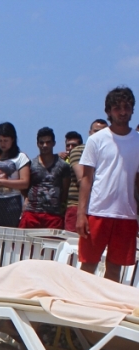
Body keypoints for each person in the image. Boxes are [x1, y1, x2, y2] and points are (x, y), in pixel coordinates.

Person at [77, 87, 139, 282]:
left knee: (114, 269)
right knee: (88, 265)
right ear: (109, 111)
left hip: (126, 214)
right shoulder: (96, 140)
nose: (122, 112)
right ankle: (80, 299)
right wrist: (81, 214)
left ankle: (106, 302)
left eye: (126, 107)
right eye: (117, 108)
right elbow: (86, 179)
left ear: (133, 109)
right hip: (97, 212)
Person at [19, 127, 72, 229]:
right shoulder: (31, 164)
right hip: (32, 213)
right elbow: (24, 187)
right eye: (41, 142)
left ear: (54, 143)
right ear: (37, 144)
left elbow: (65, 191)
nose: (45, 145)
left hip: (53, 215)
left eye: (48, 142)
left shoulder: (63, 166)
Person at [66, 120, 108, 232]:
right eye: (96, 131)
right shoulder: (78, 150)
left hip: (101, 208)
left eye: (103, 131)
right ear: (90, 133)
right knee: (73, 241)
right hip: (77, 205)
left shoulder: (110, 153)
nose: (99, 135)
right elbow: (82, 178)